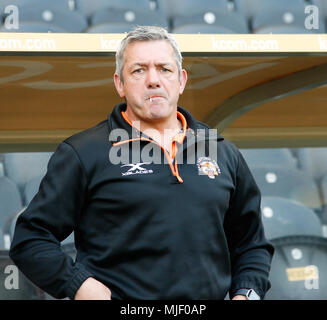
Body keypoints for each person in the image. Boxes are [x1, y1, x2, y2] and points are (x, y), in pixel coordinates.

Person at [9, 26, 274, 300]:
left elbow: (251, 245)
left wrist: (247, 294)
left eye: (164, 69)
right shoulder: (83, 152)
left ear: (181, 81)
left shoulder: (221, 151)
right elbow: (31, 240)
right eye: (138, 70)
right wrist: (79, 285)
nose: (153, 80)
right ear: (119, 83)